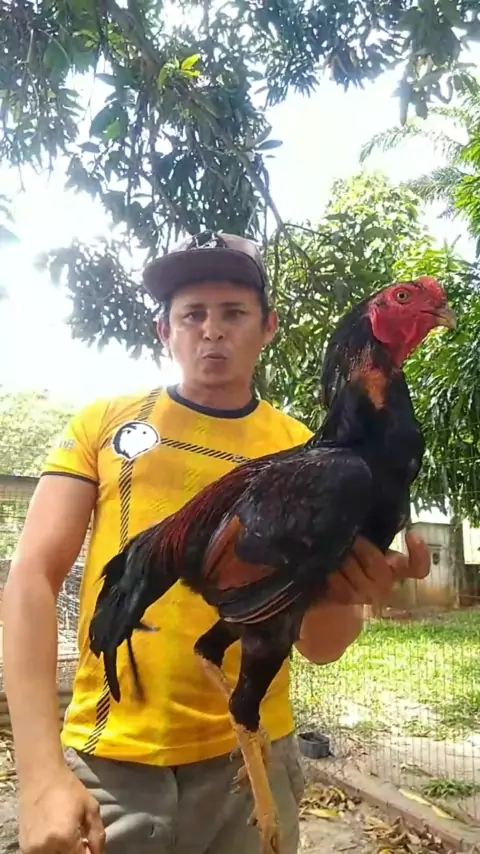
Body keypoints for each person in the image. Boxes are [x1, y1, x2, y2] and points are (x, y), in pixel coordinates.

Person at [3, 231, 430, 854]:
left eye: (233, 313)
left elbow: (321, 645)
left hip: (254, 764)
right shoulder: (104, 424)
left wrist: (347, 592)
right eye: (192, 314)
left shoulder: (317, 451)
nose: (212, 330)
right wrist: (39, 773)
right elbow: (32, 576)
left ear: (268, 327)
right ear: (164, 331)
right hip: (112, 762)